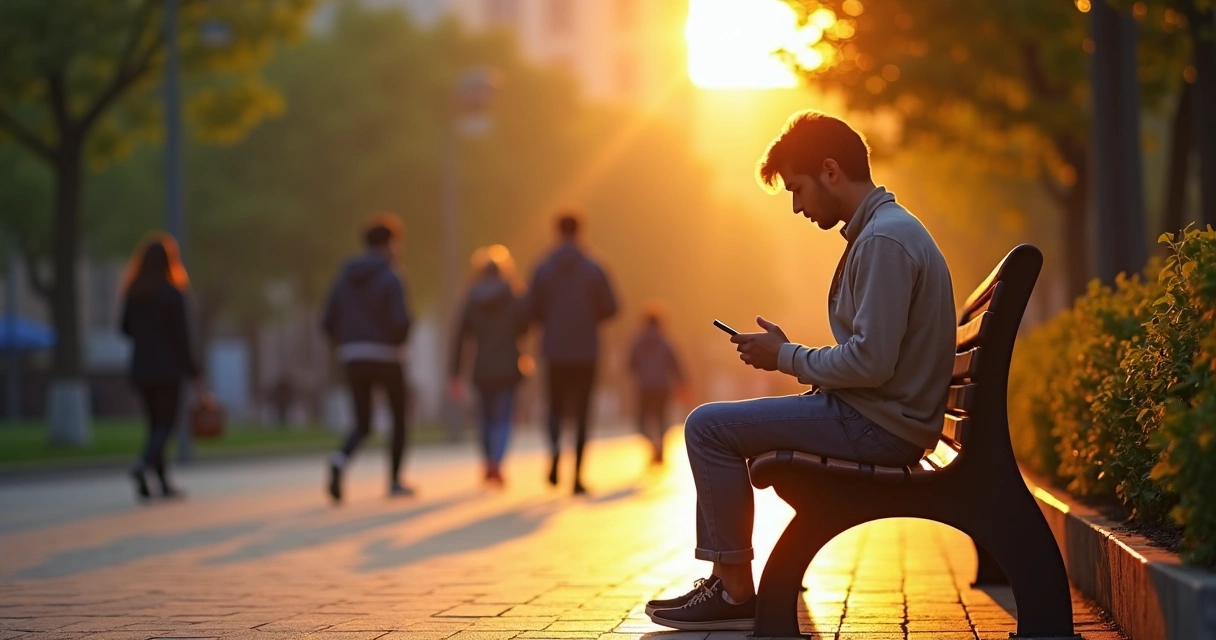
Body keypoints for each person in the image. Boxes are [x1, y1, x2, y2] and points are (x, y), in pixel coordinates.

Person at [646, 111, 955, 631]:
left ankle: (733, 590)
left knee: (706, 426)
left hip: (880, 426)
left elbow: (871, 362)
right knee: (718, 425)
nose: (796, 206)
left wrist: (784, 357)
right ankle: (732, 584)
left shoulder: (883, 240)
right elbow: (874, 355)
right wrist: (789, 353)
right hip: (882, 417)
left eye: (797, 188)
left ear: (830, 171)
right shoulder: (882, 232)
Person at [321, 213, 414, 503]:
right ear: (391, 244)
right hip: (387, 356)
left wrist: (347, 343)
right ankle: (395, 480)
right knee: (399, 417)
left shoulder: (343, 278)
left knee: (363, 422)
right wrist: (401, 337)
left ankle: (340, 460)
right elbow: (400, 321)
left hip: (353, 355)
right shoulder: (392, 275)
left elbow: (327, 320)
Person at [528, 210, 619, 495]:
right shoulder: (595, 267)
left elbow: (531, 309)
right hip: (586, 350)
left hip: (554, 349)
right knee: (582, 412)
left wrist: (551, 319)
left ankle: (555, 451)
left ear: (556, 232)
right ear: (580, 231)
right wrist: (590, 317)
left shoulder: (543, 268)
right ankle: (577, 478)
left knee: (554, 407)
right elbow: (612, 307)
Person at [120, 233, 205, 502]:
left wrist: (145, 336)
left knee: (155, 426)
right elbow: (182, 337)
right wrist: (194, 371)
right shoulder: (172, 294)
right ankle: (143, 466)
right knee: (165, 426)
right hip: (168, 371)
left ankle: (161, 484)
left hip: (141, 369)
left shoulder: (134, 293)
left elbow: (124, 328)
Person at [449, 245, 529, 487]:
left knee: (484, 418)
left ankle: (487, 461)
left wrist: (454, 373)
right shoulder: (513, 296)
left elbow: (460, 337)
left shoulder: (471, 298)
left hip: (481, 367)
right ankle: (496, 462)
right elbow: (525, 328)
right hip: (507, 365)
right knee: (503, 417)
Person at [628, 305, 687, 465]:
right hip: (662, 387)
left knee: (641, 422)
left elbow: (630, 364)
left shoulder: (638, 342)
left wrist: (641, 374)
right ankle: (660, 449)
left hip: (644, 387)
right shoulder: (665, 342)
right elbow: (675, 365)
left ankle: (653, 445)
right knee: (662, 420)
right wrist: (682, 383)